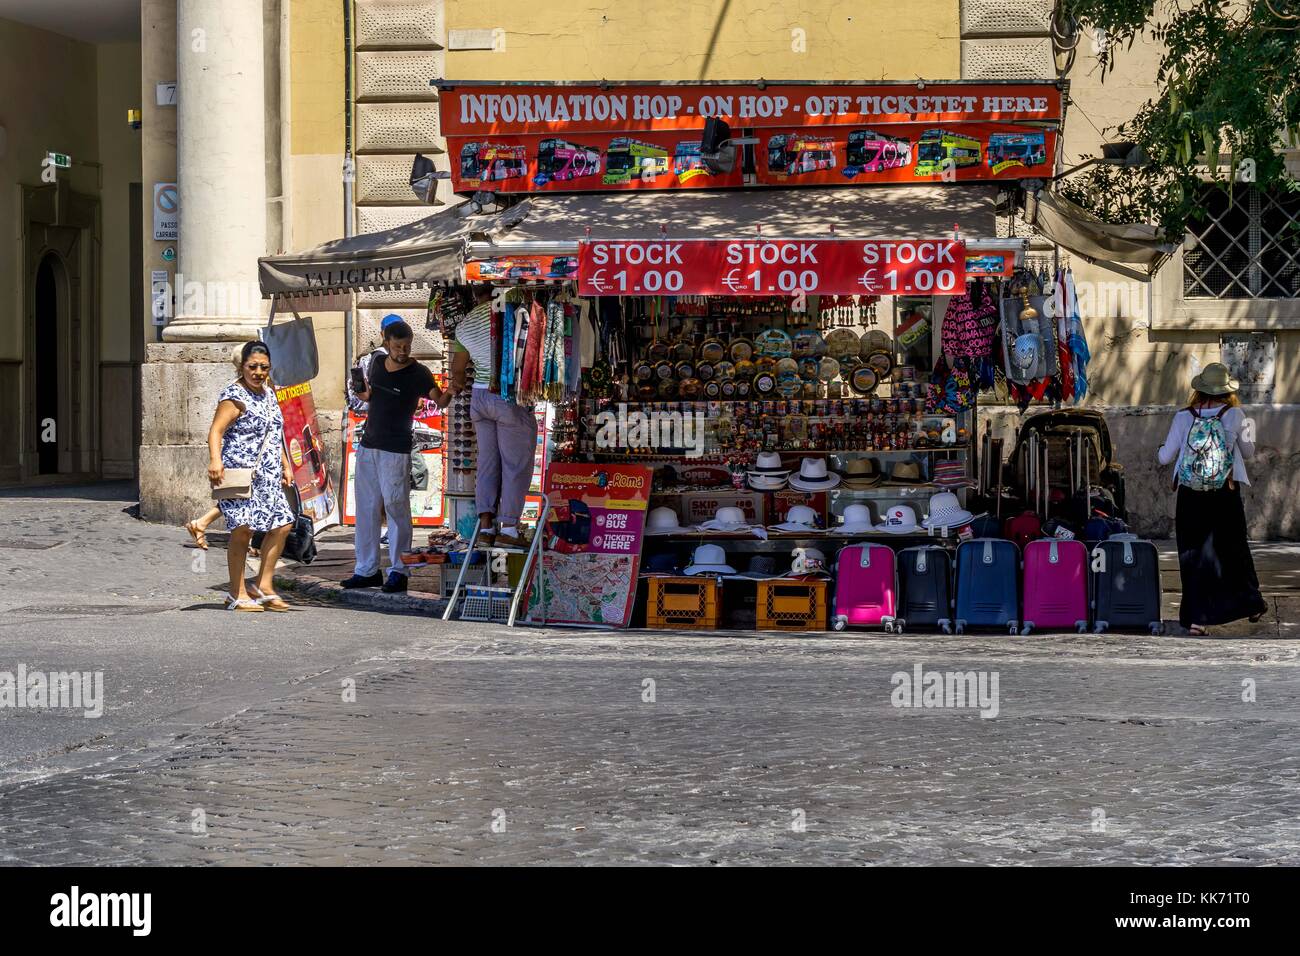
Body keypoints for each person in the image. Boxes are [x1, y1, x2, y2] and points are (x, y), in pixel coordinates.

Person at [343, 319, 454, 593]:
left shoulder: (420, 373)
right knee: (367, 509)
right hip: (369, 445)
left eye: (406, 346)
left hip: (396, 449)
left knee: (396, 508)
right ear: (387, 343)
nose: (403, 351)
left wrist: (452, 389)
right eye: (398, 346)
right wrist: (362, 390)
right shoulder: (378, 365)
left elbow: (439, 402)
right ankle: (366, 570)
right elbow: (371, 396)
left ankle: (399, 571)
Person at [1157, 362, 1267, 634]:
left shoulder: (1183, 417)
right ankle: (1251, 604)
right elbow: (1249, 452)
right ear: (1227, 390)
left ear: (1200, 389)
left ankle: (1197, 620)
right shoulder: (1237, 414)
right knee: (1234, 549)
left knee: (1193, 553)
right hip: (1224, 493)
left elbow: (1164, 457)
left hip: (1190, 495)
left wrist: (1165, 447)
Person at [207, 342, 296, 612]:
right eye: (253, 366)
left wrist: (285, 464)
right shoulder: (234, 396)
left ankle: (263, 585)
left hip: (268, 473)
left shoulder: (269, 394)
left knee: (282, 524)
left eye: (264, 367)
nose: (258, 372)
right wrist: (215, 459)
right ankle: (237, 592)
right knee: (243, 530)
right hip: (240, 472)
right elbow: (216, 431)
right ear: (241, 366)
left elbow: (275, 432)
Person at [450, 285, 538, 550]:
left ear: (475, 294)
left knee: (487, 463)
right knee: (515, 464)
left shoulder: (465, 324)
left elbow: (457, 371)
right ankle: (509, 528)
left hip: (479, 398)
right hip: (506, 395)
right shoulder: (512, 310)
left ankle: (486, 527)